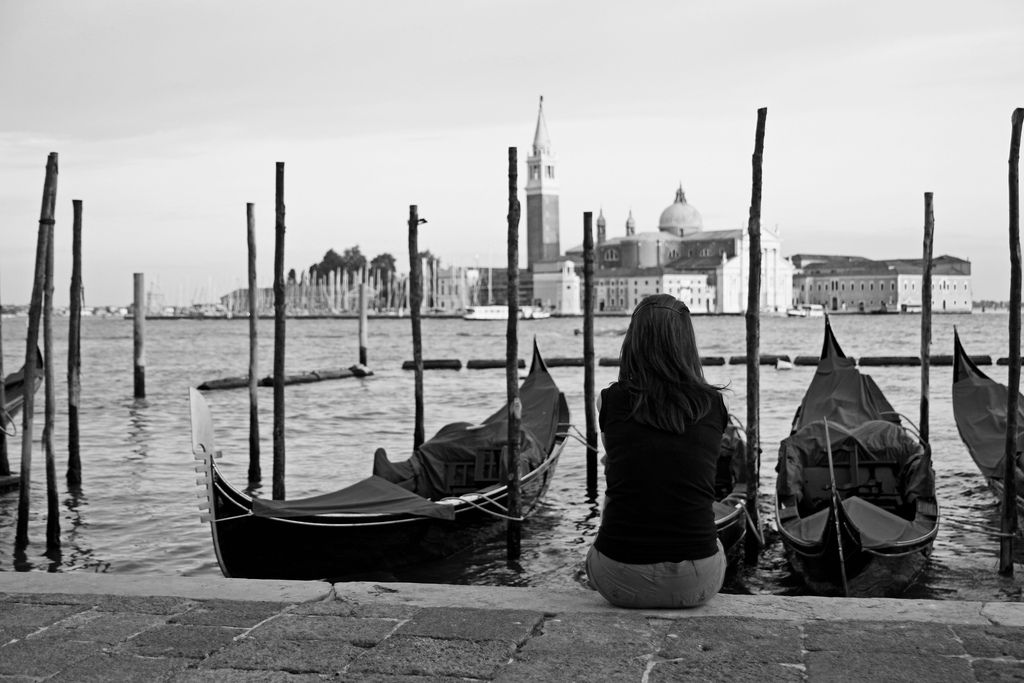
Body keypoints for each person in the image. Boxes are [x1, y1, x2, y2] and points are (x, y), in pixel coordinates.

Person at [586, 294, 728, 608]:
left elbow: (620, 468)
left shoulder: (608, 400)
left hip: (617, 578)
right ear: (687, 341)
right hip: (698, 579)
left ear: (633, 340)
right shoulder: (714, 404)